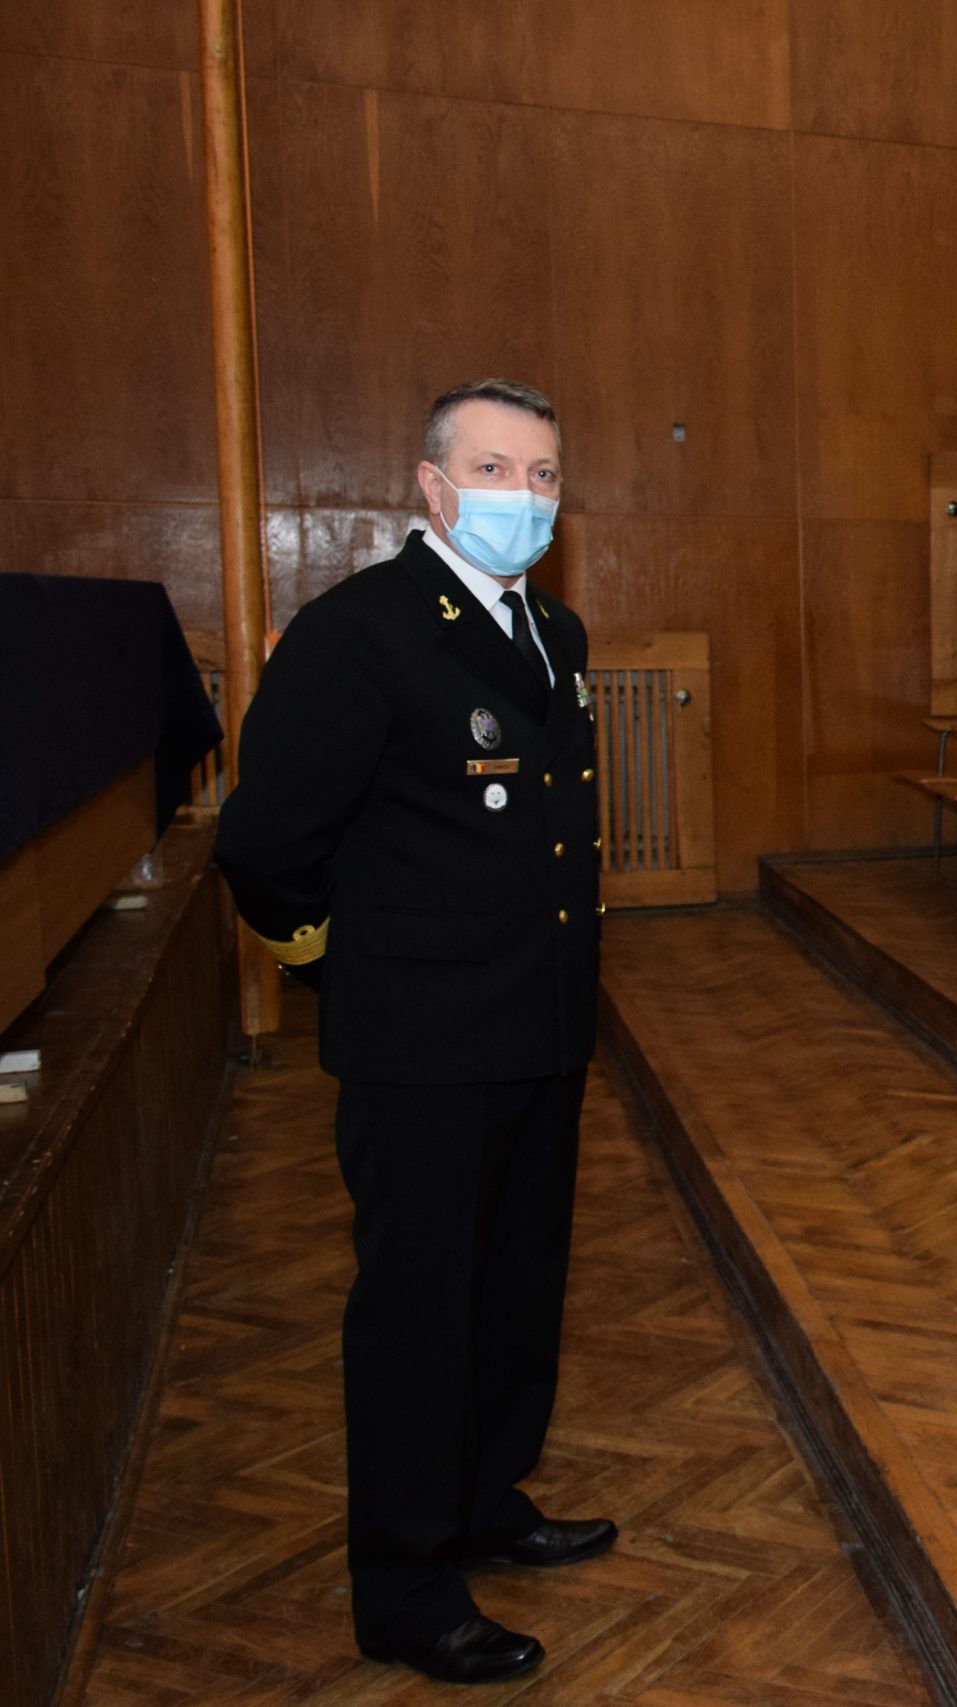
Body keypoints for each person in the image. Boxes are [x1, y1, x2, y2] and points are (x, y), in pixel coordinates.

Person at [212, 379, 613, 1685]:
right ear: (434, 486)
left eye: (544, 475)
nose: (524, 497)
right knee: (419, 1318)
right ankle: (404, 1584)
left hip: (540, 1025)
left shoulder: (554, 630)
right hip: (423, 1045)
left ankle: (486, 1499)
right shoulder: (359, 633)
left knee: (514, 1293)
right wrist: (346, 968)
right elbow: (265, 844)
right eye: (495, 469)